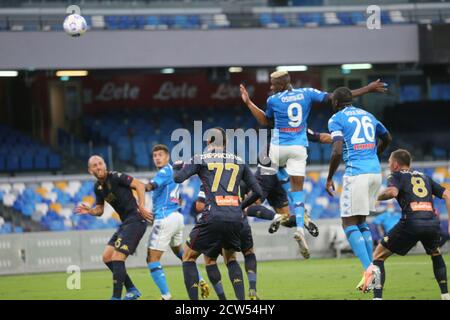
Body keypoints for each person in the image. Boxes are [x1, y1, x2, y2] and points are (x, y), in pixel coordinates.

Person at [240, 73, 387, 258]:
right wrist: (367, 90)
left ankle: (276, 216)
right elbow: (334, 104)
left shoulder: (274, 103)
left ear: (281, 85)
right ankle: (301, 222)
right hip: (297, 153)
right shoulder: (305, 102)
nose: (271, 88)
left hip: (271, 160)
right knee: (291, 206)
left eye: (273, 85)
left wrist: (248, 102)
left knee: (249, 205)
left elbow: (264, 120)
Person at [173, 127, 263, 300]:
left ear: (208, 142)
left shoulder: (200, 158)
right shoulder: (239, 161)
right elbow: (258, 191)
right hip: (235, 218)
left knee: (188, 257)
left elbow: (178, 178)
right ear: (226, 142)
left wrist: (177, 167)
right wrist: (239, 206)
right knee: (231, 258)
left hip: (213, 215)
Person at [325, 87, 392, 292]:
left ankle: (369, 269)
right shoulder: (368, 115)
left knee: (347, 222)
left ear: (336, 103)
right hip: (375, 173)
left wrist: (329, 177)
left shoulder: (336, 119)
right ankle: (372, 267)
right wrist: (373, 154)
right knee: (361, 221)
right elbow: (387, 137)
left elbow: (337, 150)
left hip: (357, 174)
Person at [372, 149, 450, 300]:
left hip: (412, 221)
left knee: (378, 256)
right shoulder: (425, 176)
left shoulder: (395, 175)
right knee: (435, 253)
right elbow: (447, 194)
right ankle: (445, 295)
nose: (388, 165)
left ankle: (377, 298)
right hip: (431, 222)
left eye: (389, 162)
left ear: (395, 164)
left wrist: (374, 197)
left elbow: (392, 192)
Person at [75, 155, 152, 300]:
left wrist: (141, 206)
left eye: (100, 163)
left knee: (117, 257)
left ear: (105, 164)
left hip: (136, 220)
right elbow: (100, 210)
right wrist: (90, 211)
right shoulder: (97, 187)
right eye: (95, 165)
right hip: (125, 223)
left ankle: (116, 297)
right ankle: (132, 290)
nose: (99, 167)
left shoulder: (116, 176)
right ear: (90, 170)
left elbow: (140, 185)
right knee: (107, 257)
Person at [144, 144, 209, 300]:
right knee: (181, 253)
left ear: (167, 157)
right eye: (154, 156)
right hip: (177, 217)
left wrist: (131, 184)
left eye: (160, 155)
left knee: (152, 259)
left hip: (166, 217)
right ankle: (200, 280)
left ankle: (166, 296)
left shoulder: (165, 171)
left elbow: (149, 186)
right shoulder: (173, 171)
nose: (157, 158)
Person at [196, 181, 259, 300]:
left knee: (212, 260)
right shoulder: (239, 174)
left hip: (216, 222)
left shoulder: (208, 178)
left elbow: (199, 206)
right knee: (248, 253)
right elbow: (256, 198)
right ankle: (252, 289)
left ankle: (223, 299)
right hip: (240, 220)